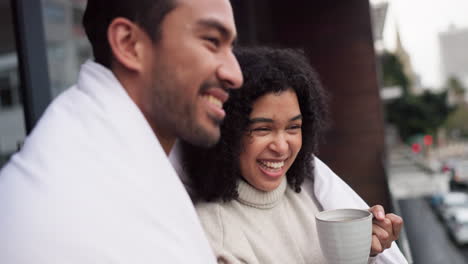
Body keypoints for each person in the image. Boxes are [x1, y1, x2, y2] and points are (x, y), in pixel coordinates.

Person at [0, 0, 242, 263]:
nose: (235, 74)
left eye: (230, 47)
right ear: (129, 44)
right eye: (212, 40)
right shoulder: (88, 199)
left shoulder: (96, 143)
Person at [179, 47, 408, 263]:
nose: (281, 146)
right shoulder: (215, 232)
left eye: (293, 128)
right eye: (262, 129)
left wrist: (363, 249)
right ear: (228, 132)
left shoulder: (309, 193)